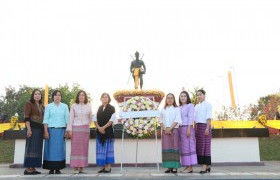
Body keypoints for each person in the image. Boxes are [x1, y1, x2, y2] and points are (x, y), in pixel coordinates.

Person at [43, 90, 69, 174]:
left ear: (61, 97)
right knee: (50, 150)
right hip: (51, 130)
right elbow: (46, 119)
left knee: (60, 150)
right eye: (56, 95)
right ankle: (51, 168)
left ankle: (58, 168)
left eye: (59, 95)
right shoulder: (48, 106)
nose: (57, 97)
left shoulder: (65, 106)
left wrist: (67, 131)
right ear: (53, 97)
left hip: (61, 131)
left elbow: (67, 120)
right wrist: (46, 131)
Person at [66, 90, 93, 174]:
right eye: (80, 95)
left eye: (83, 95)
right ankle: (75, 167)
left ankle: (81, 167)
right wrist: (69, 130)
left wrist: (88, 123)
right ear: (77, 97)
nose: (81, 97)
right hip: (75, 128)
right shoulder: (74, 106)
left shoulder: (89, 106)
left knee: (84, 148)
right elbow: (70, 118)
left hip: (85, 129)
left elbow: (91, 118)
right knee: (75, 149)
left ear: (85, 97)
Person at [93, 93, 117, 173]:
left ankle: (108, 167)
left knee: (108, 150)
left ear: (109, 99)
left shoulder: (112, 108)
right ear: (101, 99)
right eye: (103, 97)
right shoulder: (98, 108)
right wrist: (99, 128)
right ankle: (102, 167)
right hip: (99, 132)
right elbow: (95, 119)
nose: (104, 98)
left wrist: (103, 127)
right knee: (100, 150)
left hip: (108, 132)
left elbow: (112, 120)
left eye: (106, 97)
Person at [23, 89, 45, 175]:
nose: (37, 95)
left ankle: (33, 168)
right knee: (30, 148)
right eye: (35, 94)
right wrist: (28, 129)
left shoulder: (42, 106)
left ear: (41, 96)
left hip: (40, 130)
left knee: (37, 149)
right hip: (32, 128)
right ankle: (28, 169)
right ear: (33, 95)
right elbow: (27, 117)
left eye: (39, 94)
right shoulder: (29, 103)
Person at [160, 93, 182, 173]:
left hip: (174, 130)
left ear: (174, 100)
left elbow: (177, 120)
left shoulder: (176, 109)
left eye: (171, 98)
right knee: (166, 149)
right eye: (168, 98)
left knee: (174, 148)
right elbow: (160, 121)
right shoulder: (163, 109)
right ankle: (169, 167)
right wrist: (165, 129)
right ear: (166, 99)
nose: (169, 99)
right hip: (165, 131)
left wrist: (170, 129)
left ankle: (175, 167)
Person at [178, 91, 197, 173]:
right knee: (184, 148)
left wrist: (189, 128)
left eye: (184, 96)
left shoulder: (190, 105)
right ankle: (187, 166)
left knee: (189, 147)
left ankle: (190, 167)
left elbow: (190, 117)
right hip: (180, 129)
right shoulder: (179, 107)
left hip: (187, 128)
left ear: (187, 97)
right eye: (181, 96)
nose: (182, 97)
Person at [195, 89, 212, 173]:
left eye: (200, 94)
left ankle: (205, 166)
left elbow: (209, 117)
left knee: (206, 147)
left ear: (204, 95)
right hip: (198, 127)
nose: (199, 96)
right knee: (200, 147)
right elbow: (195, 119)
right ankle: (207, 165)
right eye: (197, 95)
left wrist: (207, 128)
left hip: (205, 127)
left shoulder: (208, 105)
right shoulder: (196, 106)